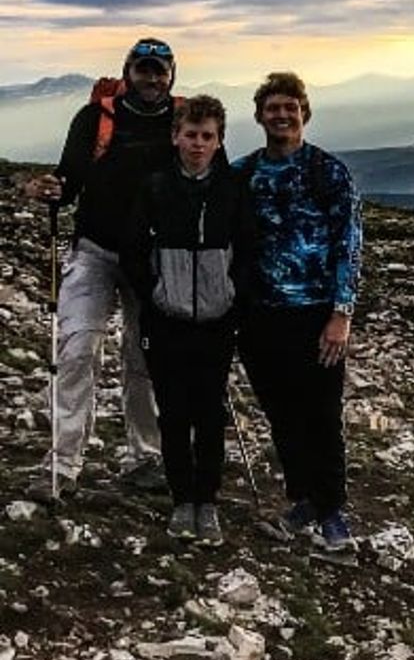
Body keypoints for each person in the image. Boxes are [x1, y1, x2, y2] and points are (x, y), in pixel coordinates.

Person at [22, 38, 178, 499]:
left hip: (150, 257)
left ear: (172, 75)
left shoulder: (181, 121)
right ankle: (64, 463)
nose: (151, 78)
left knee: (144, 357)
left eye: (159, 70)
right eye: (143, 69)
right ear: (127, 71)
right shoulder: (96, 119)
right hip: (95, 249)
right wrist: (54, 187)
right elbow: (70, 177)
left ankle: (145, 457)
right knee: (76, 349)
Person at [235, 71, 362, 551]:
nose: (282, 115)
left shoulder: (328, 172)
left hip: (315, 314)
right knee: (282, 414)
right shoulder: (244, 173)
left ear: (305, 113)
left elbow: (349, 244)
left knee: (321, 413)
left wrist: (342, 313)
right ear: (260, 116)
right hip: (258, 315)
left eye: (290, 107)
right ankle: (303, 500)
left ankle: (332, 512)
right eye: (273, 108)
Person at [123, 95, 247, 545]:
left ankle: (207, 501)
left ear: (219, 141)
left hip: (216, 318)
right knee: (174, 413)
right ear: (175, 136)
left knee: (210, 412)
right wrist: (154, 295)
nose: (198, 144)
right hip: (169, 319)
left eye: (207, 136)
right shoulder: (155, 188)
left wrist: (233, 297)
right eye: (191, 135)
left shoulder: (233, 189)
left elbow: (247, 251)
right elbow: (133, 249)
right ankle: (182, 502)